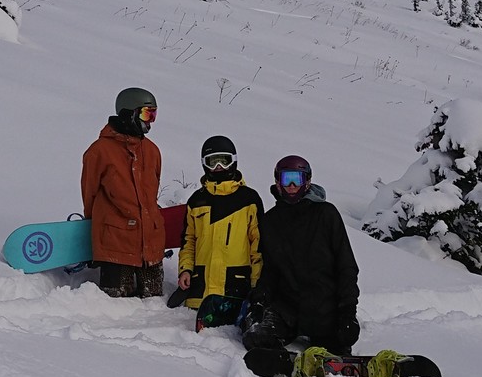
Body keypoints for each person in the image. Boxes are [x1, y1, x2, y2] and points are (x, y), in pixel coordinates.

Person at [242, 155, 360, 354]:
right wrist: (259, 301)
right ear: (278, 182)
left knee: (337, 344)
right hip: (288, 308)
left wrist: (348, 311)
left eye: (297, 178)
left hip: (323, 308)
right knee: (255, 337)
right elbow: (270, 270)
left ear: (307, 181)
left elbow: (346, 266)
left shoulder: (325, 214)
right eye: (286, 179)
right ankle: (286, 361)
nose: (292, 185)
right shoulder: (271, 221)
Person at [80, 87, 165, 299]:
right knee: (116, 310)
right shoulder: (99, 151)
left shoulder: (152, 151)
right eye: (147, 114)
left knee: (155, 306)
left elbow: (151, 197)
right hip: (115, 246)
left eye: (154, 115)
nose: (150, 121)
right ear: (130, 113)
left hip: (151, 247)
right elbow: (89, 195)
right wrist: (94, 233)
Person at [174, 135, 264, 326]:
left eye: (224, 161)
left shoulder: (248, 200)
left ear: (234, 161)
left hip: (234, 295)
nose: (218, 168)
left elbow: (258, 248)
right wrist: (186, 270)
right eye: (212, 162)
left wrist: (257, 286)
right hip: (199, 298)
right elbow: (188, 241)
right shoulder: (197, 201)